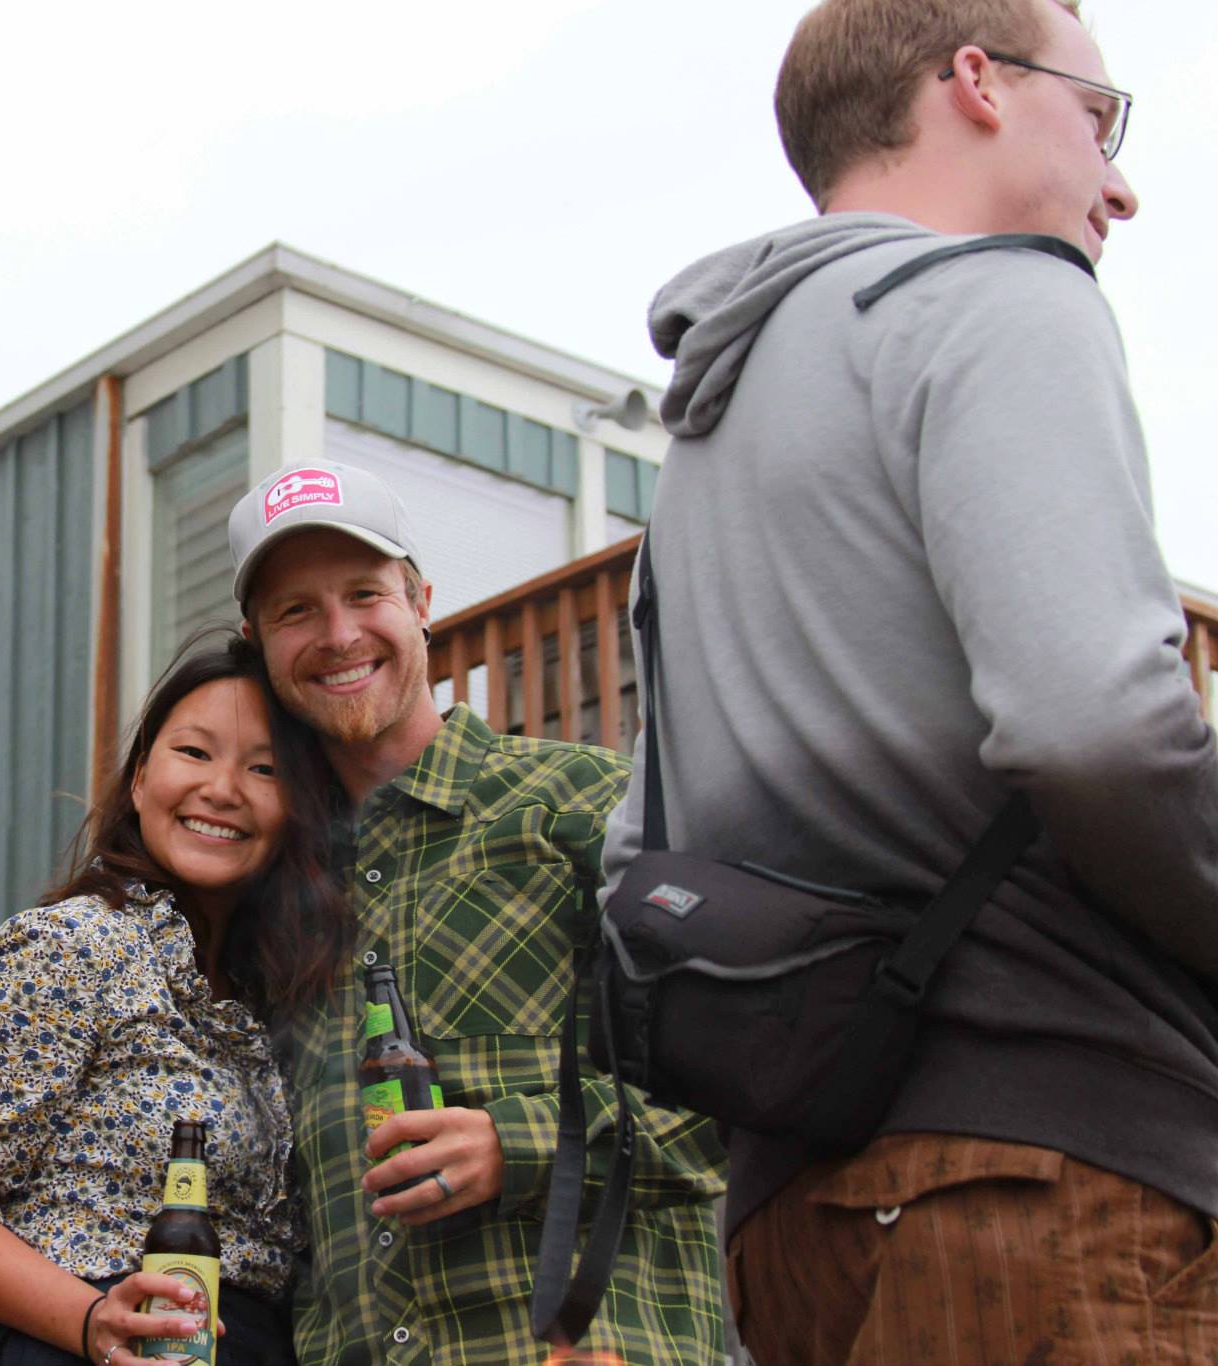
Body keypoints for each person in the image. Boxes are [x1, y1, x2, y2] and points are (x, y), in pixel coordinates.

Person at [599, 1, 1218, 1361]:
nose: (1119, 182)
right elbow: (1096, 723)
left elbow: (635, 850)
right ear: (977, 82)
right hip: (1047, 1179)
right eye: (1098, 118)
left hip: (792, 1224)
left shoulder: (704, 447)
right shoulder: (1002, 301)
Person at [226, 461, 727, 1364]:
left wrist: (516, 1143)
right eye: (295, 611)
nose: (338, 634)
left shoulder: (590, 803)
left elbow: (743, 1087)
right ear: (256, 643)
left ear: (421, 601)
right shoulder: (271, 901)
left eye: (365, 593)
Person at [0, 634, 351, 1365]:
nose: (223, 789)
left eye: (264, 769)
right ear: (139, 781)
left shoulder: (280, 1002)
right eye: (194, 752)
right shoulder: (71, 944)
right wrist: (92, 1322)